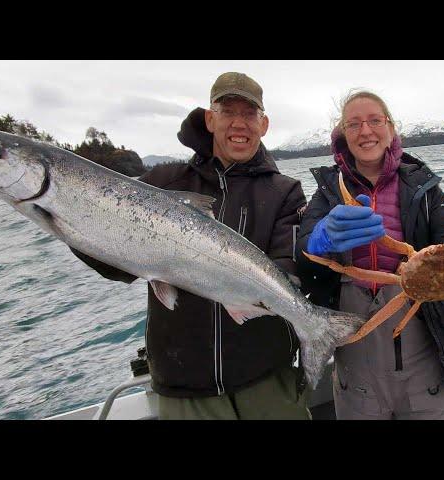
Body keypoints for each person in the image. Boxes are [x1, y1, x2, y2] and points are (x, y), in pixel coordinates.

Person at [71, 72, 310, 420]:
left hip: (267, 380)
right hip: (185, 387)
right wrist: (71, 220)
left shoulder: (284, 191)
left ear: (265, 124)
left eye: (249, 114)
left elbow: (288, 265)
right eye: (228, 112)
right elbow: (116, 266)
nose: (239, 124)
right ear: (210, 119)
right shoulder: (164, 183)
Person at [295, 89, 444, 420]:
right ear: (343, 135)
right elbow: (303, 259)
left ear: (391, 128)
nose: (365, 131)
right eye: (353, 124)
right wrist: (317, 243)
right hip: (354, 352)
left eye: (374, 120)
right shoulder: (327, 191)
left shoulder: (425, 187)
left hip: (426, 342)